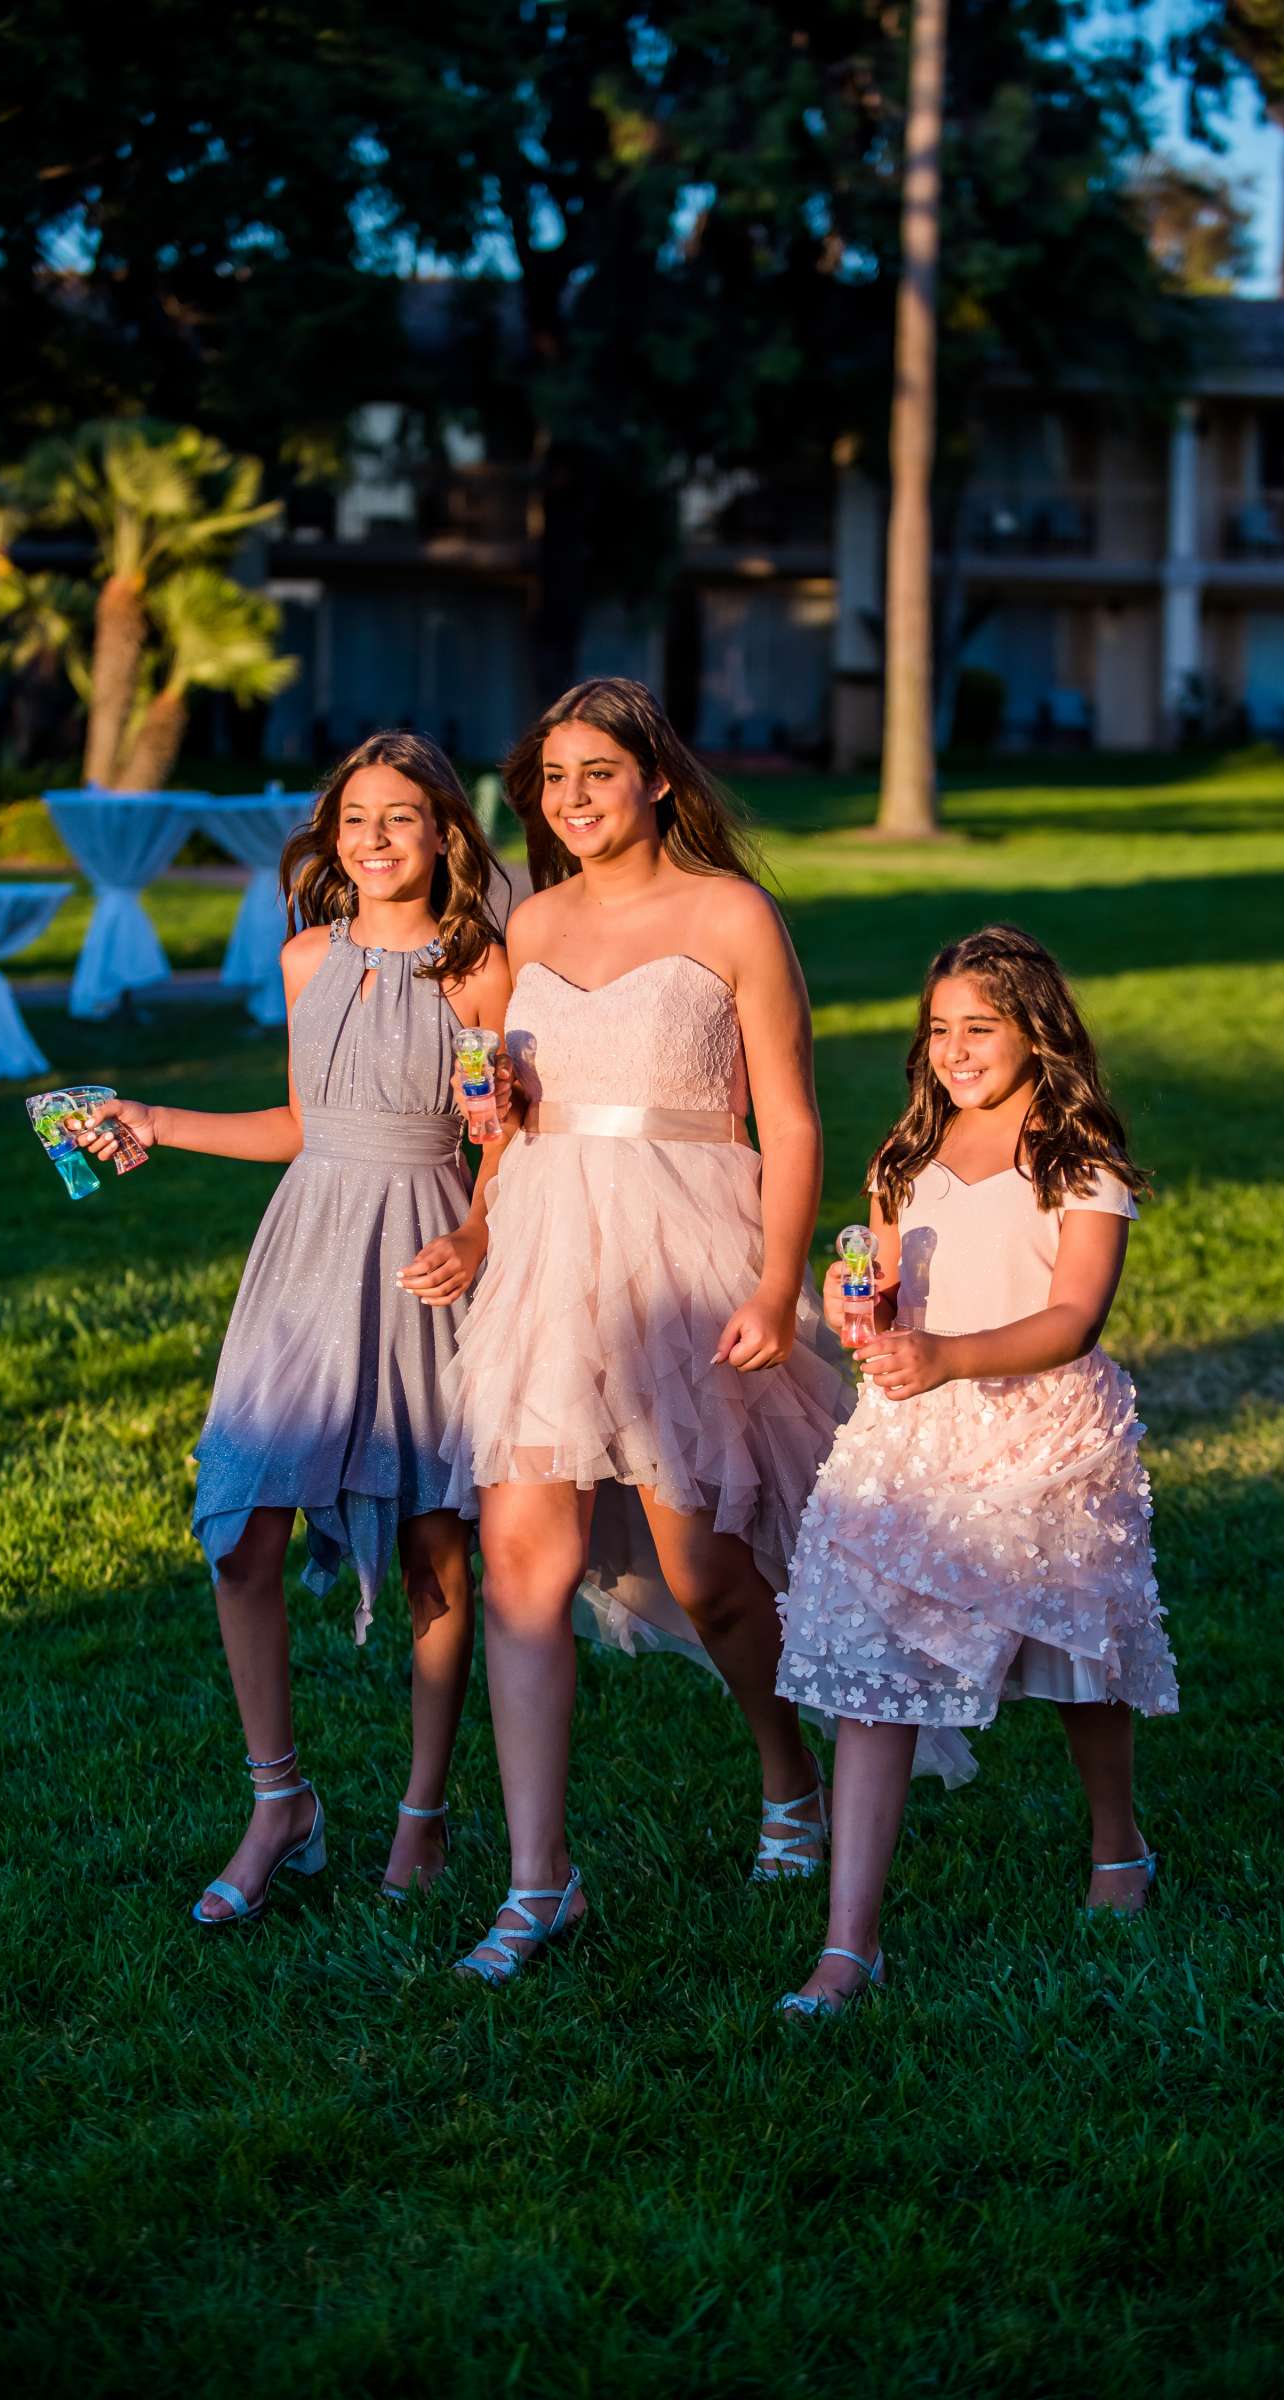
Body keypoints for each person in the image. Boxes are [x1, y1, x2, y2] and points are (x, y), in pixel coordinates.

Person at [438, 676, 853, 1984]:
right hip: (547, 1251)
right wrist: (481, 1181)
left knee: (708, 1574)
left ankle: (790, 1777)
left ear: (657, 778)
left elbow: (785, 1121)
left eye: (593, 774)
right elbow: (504, 1111)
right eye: (550, 780)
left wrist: (777, 1283)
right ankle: (535, 1883)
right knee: (521, 1560)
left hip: (684, 1249)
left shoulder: (730, 915)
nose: (569, 800)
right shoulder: (531, 921)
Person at [75, 733, 511, 1925]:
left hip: (429, 1250)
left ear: (446, 836)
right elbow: (305, 1124)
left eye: (402, 818)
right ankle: (282, 1803)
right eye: (354, 819)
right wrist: (156, 1120)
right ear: (331, 837)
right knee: (243, 1531)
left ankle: (423, 1812)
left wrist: (478, 1237)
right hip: (307, 1251)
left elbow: (512, 1134)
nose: (374, 840)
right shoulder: (305, 956)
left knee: (433, 1542)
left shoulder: (481, 967)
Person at [773, 923, 1178, 2016]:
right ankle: (850, 1945)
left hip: (1042, 1437)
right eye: (939, 1029)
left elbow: (1074, 1318)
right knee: (876, 1674)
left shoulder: (1076, 1163)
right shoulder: (904, 1162)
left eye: (979, 1028)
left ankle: (1116, 1845)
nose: (954, 1049)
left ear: (1036, 1034)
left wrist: (948, 1352)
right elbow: (885, 1286)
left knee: (1076, 1657)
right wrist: (860, 1300)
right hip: (911, 1443)